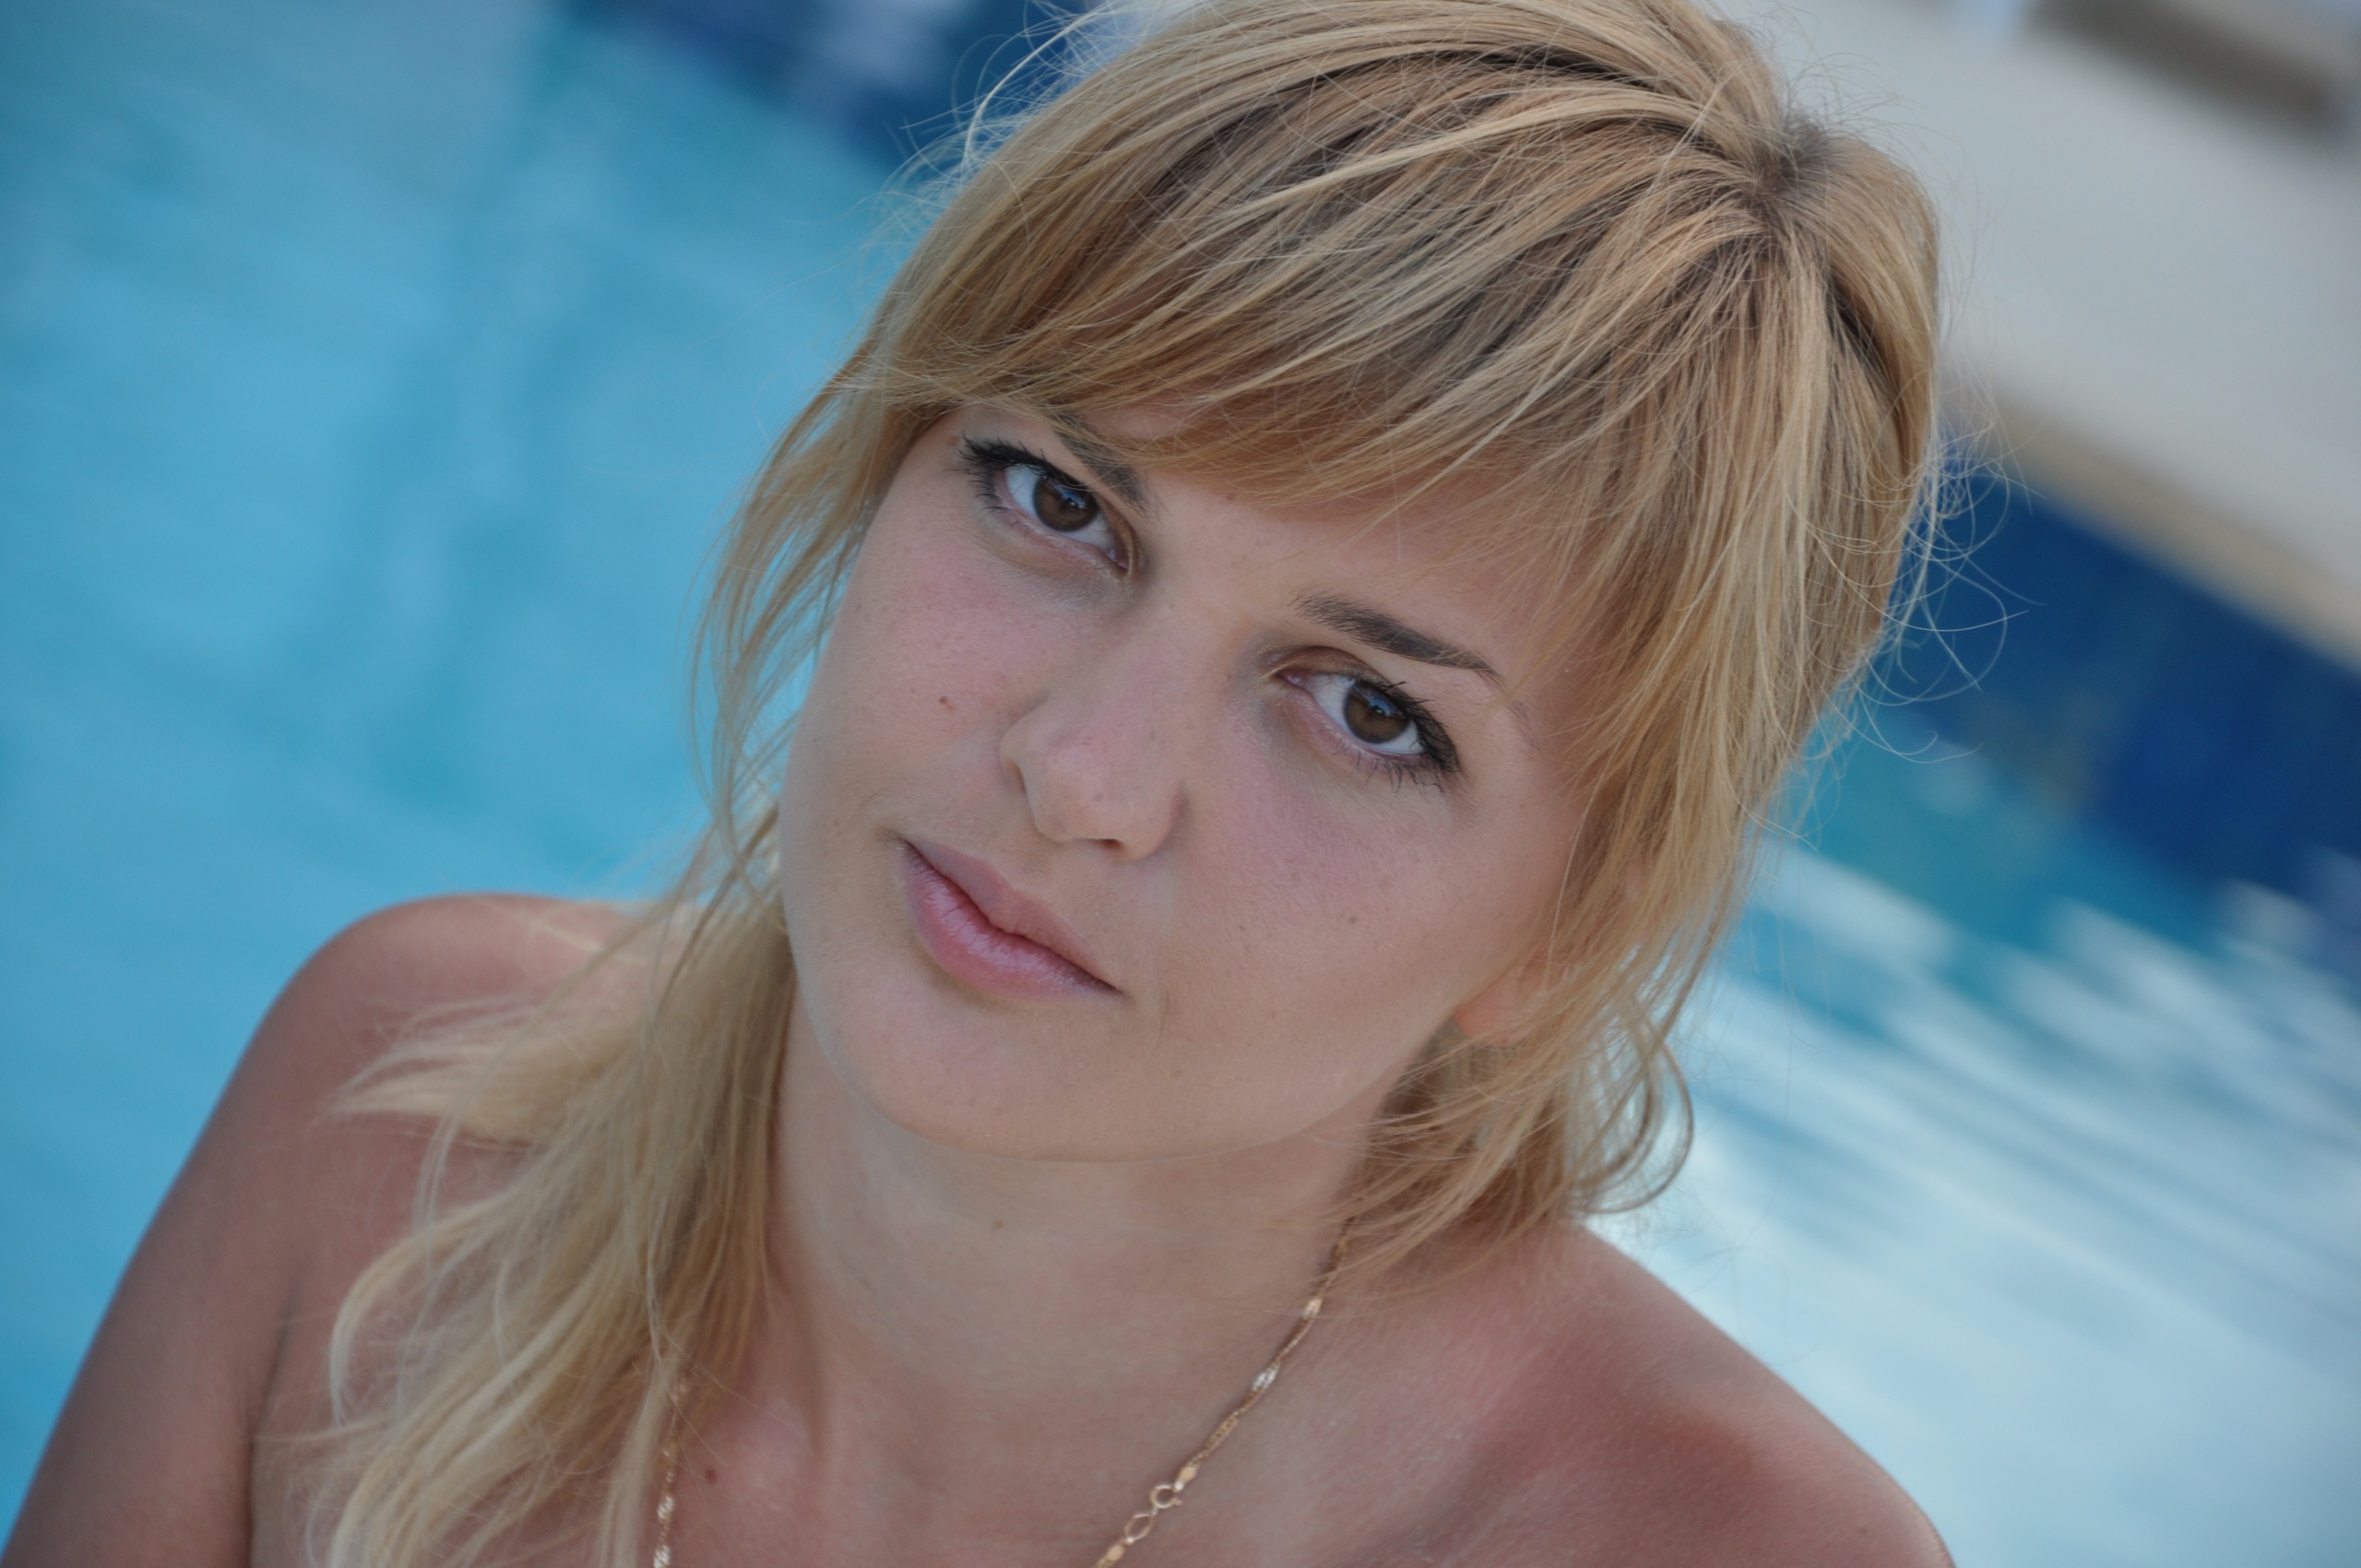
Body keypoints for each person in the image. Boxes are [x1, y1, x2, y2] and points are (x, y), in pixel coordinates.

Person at [6, 0, 1953, 1562]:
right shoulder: (392, 1133)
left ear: (1573, 920)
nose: (1084, 774)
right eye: (1059, 503)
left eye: (1369, 710)